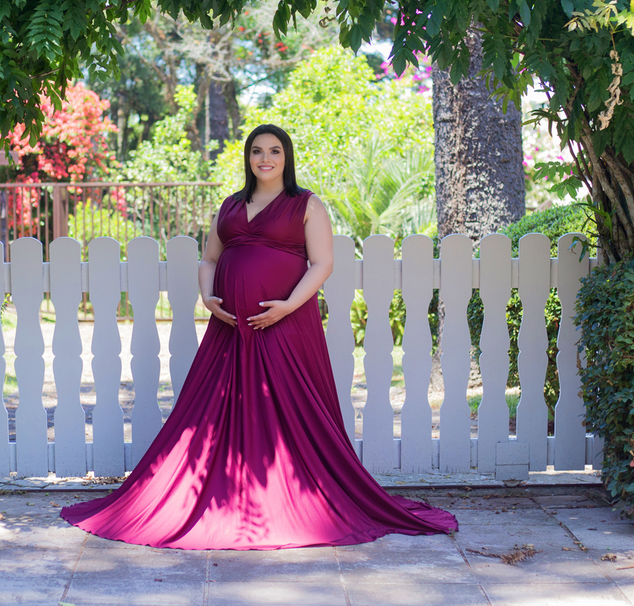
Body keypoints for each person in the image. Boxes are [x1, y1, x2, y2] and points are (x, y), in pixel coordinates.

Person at [59, 124, 456, 549]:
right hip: (229, 330)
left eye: (274, 151)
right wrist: (209, 298)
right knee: (214, 411)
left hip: (286, 325)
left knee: (290, 407)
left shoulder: (306, 205)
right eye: (257, 151)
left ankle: (287, 493)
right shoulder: (230, 206)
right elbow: (209, 258)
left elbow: (322, 264)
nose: (265, 159)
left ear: (287, 157)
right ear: (248, 158)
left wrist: (287, 306)